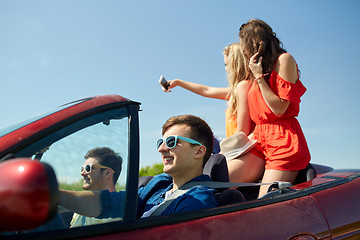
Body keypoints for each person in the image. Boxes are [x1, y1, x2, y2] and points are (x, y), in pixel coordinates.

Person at [59, 115, 218, 219]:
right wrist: (53, 195)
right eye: (160, 143)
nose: (161, 149)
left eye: (171, 142)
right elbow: (108, 203)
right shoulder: (159, 187)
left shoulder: (198, 203)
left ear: (198, 151)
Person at [227, 19, 311, 197]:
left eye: (244, 45)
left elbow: (279, 109)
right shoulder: (253, 75)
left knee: (264, 201)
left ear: (254, 43)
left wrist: (259, 77)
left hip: (283, 140)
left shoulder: (284, 61)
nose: (243, 51)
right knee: (219, 182)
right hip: (259, 140)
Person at [161, 43, 253, 137]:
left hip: (238, 146)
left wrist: (226, 147)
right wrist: (178, 82)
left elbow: (242, 131)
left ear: (236, 65)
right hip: (235, 144)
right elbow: (206, 90)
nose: (226, 69)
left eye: (227, 64)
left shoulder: (243, 87)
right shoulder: (236, 90)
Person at [70, 147, 123, 227]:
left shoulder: (115, 214)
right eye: (82, 169)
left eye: (88, 168)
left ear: (107, 172)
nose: (82, 173)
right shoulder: (80, 209)